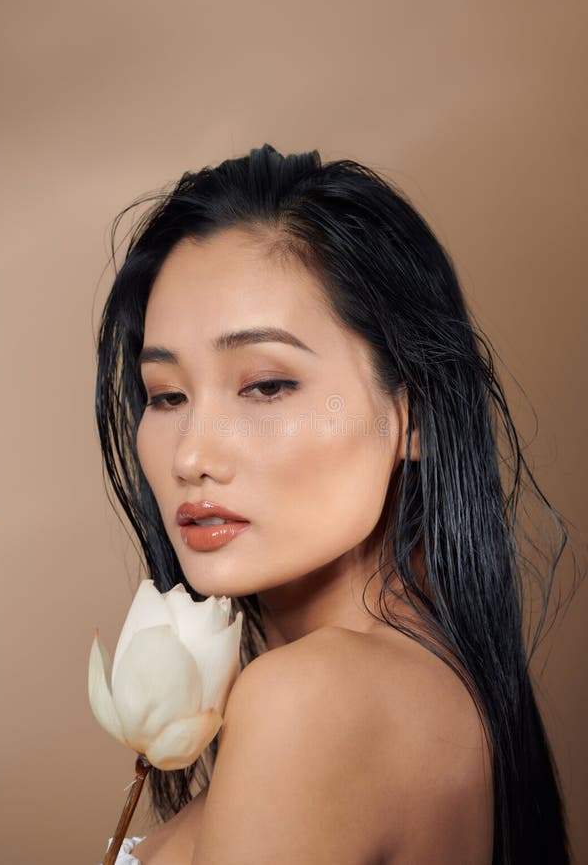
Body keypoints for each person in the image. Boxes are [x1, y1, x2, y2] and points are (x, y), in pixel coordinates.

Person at [95, 143, 576, 864]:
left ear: (411, 413)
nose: (191, 456)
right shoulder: (444, 692)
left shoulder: (308, 702)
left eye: (265, 386)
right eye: (166, 396)